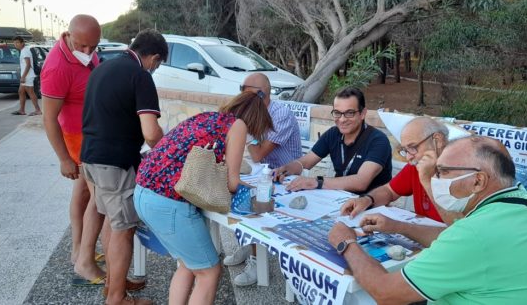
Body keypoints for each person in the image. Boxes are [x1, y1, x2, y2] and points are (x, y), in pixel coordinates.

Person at [328, 136, 527, 304]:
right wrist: (396, 226)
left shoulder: (475, 235)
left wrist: (346, 243)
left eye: (443, 172)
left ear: (478, 181)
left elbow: (386, 292)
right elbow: (459, 237)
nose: (436, 179)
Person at [135, 91, 274, 305]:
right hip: (168, 202)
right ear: (255, 119)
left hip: (144, 192)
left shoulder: (207, 117)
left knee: (188, 266)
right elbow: (232, 183)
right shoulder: (238, 125)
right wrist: (253, 187)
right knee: (208, 272)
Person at [80, 29, 167, 305]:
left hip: (91, 157)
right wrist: (171, 152)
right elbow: (151, 133)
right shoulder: (140, 75)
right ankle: (117, 298)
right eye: (158, 63)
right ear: (153, 57)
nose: (156, 68)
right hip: (115, 163)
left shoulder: (103, 68)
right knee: (123, 228)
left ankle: (112, 283)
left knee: (110, 218)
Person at [41, 14, 116, 288]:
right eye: (83, 46)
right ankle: (84, 262)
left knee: (84, 192)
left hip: (91, 133)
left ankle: (77, 250)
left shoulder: (86, 52)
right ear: (68, 35)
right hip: (77, 138)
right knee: (99, 199)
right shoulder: (57, 67)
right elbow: (49, 118)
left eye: (93, 47)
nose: (88, 52)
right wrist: (63, 159)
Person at [224, 73, 303, 286]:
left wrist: (244, 128)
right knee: (238, 197)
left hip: (286, 177)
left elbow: (258, 153)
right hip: (263, 174)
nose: (240, 94)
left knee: (253, 206)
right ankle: (247, 243)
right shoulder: (253, 111)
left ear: (260, 94)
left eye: (244, 89)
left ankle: (256, 262)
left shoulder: (280, 114)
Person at [340, 117, 463, 243]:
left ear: (437, 140)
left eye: (413, 147)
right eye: (405, 150)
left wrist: (426, 180)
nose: (409, 157)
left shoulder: (464, 173)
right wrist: (367, 199)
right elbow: (389, 190)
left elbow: (459, 232)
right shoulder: (417, 164)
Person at [274, 87, 392, 194]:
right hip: (337, 199)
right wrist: (286, 169)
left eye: (349, 113)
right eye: (337, 113)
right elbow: (306, 162)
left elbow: (361, 182)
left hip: (371, 207)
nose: (342, 119)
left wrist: (317, 182)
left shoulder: (378, 140)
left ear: (362, 114)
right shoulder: (333, 133)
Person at [11, 36, 41, 116]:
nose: (15, 44)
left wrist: (23, 76)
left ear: (22, 43)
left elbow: (28, 65)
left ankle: (38, 110)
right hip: (26, 75)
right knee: (21, 91)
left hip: (28, 75)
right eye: (14, 43)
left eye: (17, 42)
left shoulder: (25, 51)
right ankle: (22, 110)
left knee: (31, 92)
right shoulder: (23, 50)